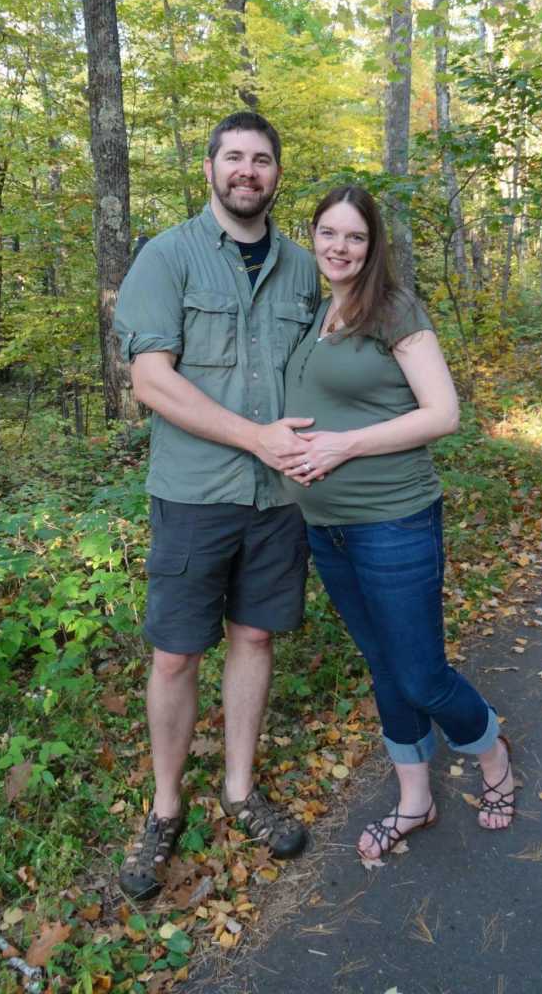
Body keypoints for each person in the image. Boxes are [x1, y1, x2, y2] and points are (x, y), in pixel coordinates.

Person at [113, 111, 320, 899]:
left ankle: (238, 790)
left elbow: (327, 369)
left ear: (275, 173)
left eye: (261, 159)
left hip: (279, 498)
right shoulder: (167, 257)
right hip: (196, 493)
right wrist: (255, 437)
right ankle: (165, 808)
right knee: (174, 652)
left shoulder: (304, 268)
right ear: (209, 167)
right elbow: (152, 381)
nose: (247, 170)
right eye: (234, 157)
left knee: (256, 638)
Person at [281, 185, 515, 860]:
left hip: (393, 520)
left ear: (373, 243)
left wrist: (342, 445)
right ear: (314, 235)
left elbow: (442, 413)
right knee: (383, 664)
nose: (340, 247)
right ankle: (415, 800)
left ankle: (492, 752)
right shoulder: (315, 312)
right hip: (325, 526)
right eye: (328, 232)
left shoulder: (393, 308)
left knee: (419, 674)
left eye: (354, 236)